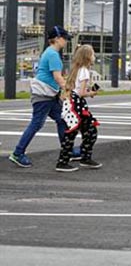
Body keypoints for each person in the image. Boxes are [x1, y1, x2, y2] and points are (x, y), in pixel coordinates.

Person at [9, 25, 71, 168]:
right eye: (64, 38)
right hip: (44, 94)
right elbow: (57, 77)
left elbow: (56, 77)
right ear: (56, 39)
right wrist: (69, 89)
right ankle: (18, 153)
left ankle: (66, 150)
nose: (66, 41)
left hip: (48, 94)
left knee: (62, 119)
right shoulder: (53, 54)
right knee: (37, 123)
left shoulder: (49, 52)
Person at [56, 44, 101, 172]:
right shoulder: (85, 72)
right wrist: (91, 93)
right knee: (86, 132)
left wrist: (87, 91)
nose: (94, 56)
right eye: (92, 54)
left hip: (73, 104)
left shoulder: (77, 69)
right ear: (87, 57)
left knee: (80, 131)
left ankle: (73, 158)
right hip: (78, 106)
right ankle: (68, 161)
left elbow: (77, 90)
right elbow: (81, 93)